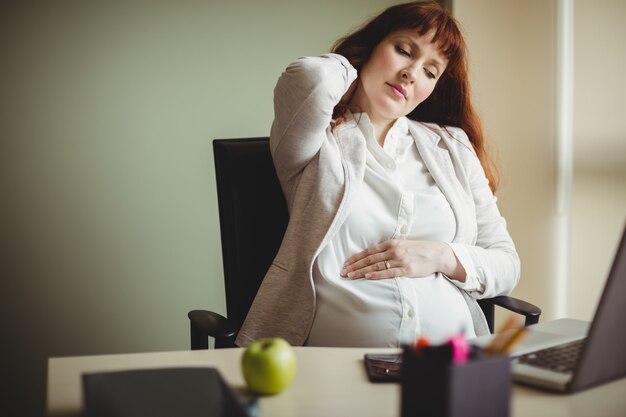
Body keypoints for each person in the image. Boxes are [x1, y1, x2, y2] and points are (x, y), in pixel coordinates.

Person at [235, 1, 520, 348]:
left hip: (455, 366)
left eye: (431, 71)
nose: (411, 73)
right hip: (341, 370)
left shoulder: (452, 146)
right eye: (403, 50)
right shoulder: (315, 141)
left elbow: (506, 264)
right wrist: (351, 64)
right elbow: (310, 77)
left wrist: (441, 256)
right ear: (371, 46)